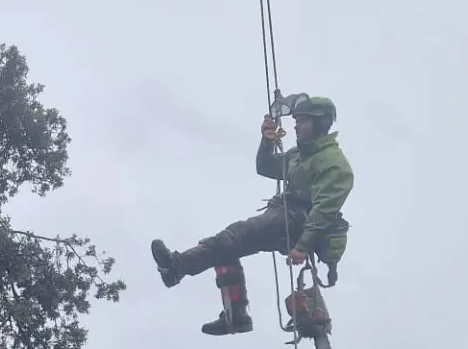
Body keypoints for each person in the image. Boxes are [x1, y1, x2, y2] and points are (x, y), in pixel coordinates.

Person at [149, 93, 353, 335]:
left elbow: (324, 210)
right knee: (227, 245)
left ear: (320, 124)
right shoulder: (301, 155)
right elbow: (265, 166)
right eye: (297, 120)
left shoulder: (333, 163)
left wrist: (303, 245)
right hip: (285, 214)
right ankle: (235, 315)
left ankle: (178, 267)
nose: (297, 125)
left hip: (298, 221)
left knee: (232, 237)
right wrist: (266, 139)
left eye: (304, 121)